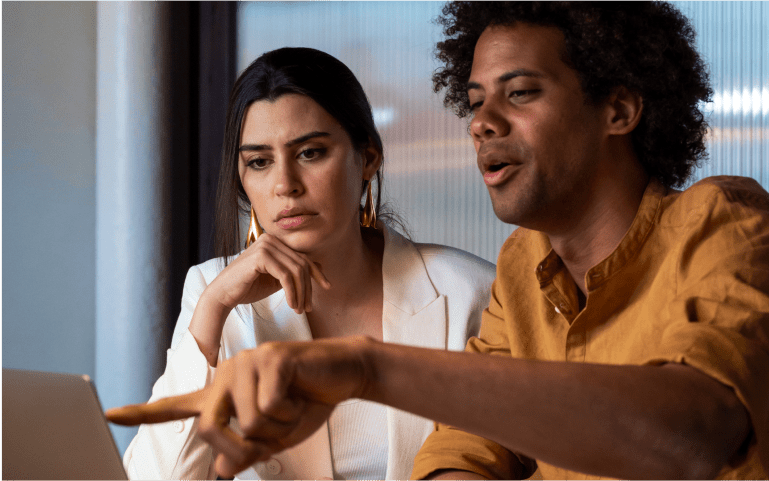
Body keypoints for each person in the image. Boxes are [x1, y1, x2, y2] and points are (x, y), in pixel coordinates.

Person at [108, 2, 769, 479]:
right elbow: (464, 451)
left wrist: (367, 369)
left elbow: (694, 433)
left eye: (520, 93)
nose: (480, 123)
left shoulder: (721, 220)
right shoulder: (524, 269)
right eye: (475, 101)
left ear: (618, 110)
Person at [116, 46, 496, 480]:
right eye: (259, 162)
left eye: (310, 153)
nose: (285, 185)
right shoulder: (213, 292)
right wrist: (213, 308)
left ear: (368, 157)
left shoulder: (471, 292)